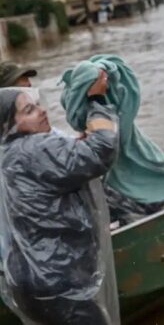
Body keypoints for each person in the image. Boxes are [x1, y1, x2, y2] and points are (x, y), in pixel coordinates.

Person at [0, 73, 121, 324]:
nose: (43, 112)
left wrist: (73, 149)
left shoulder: (10, 153)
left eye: (37, 105)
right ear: (8, 125)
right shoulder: (35, 149)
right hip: (59, 283)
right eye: (29, 111)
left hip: (28, 281)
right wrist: (96, 100)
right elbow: (103, 149)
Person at [60, 55, 164, 226]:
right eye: (98, 77)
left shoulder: (113, 117)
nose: (104, 76)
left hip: (124, 198)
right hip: (119, 200)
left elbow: (149, 182)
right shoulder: (97, 127)